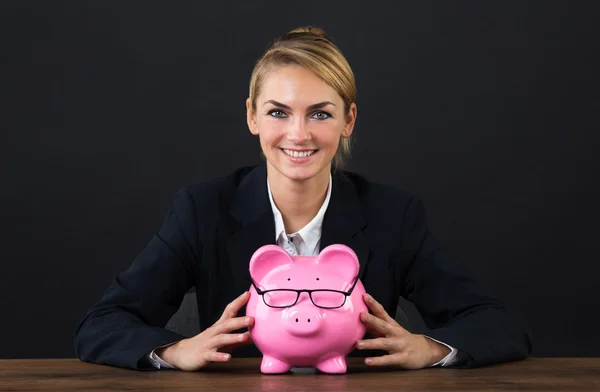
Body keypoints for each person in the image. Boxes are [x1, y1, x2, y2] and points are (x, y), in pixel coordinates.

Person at [74, 26, 532, 371]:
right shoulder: (202, 210)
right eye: (278, 112)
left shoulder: (393, 216)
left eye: (320, 113)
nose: (299, 134)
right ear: (252, 116)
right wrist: (173, 350)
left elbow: (498, 323)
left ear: (348, 121)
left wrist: (429, 348)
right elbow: (103, 323)